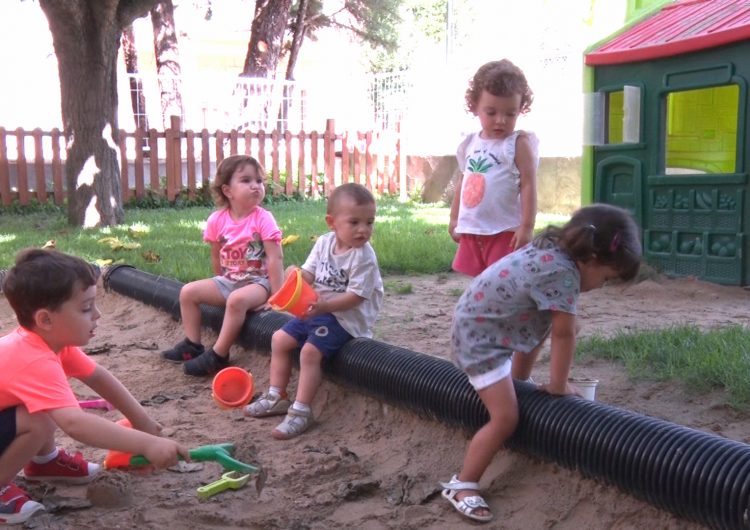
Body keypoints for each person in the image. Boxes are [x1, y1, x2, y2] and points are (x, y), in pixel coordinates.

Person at [441, 203, 642, 523]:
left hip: (480, 326)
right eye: (606, 278)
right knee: (505, 419)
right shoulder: (563, 274)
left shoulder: (550, 249)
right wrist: (559, 387)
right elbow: (564, 335)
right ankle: (463, 484)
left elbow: (555, 322)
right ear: (591, 259)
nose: (601, 286)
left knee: (547, 320)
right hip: (480, 344)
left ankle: (518, 382)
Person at [0, 249, 189, 525]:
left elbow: (99, 377)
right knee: (38, 417)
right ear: (46, 320)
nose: (97, 315)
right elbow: (75, 424)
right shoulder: (33, 358)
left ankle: (44, 461)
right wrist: (148, 445)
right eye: (86, 308)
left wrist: (145, 424)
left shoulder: (50, 343)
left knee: (46, 403)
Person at [245, 183, 383, 440]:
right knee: (279, 339)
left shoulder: (363, 256)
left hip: (345, 319)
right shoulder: (324, 243)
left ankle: (301, 411)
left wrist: (324, 306)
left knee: (309, 352)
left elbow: (355, 297)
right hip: (318, 310)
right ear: (332, 222)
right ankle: (277, 396)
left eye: (369, 222)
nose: (363, 229)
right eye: (354, 222)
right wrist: (295, 275)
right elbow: (309, 274)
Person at [161, 154, 284, 377]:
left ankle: (219, 354)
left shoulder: (263, 219)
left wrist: (276, 296)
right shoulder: (217, 220)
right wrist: (218, 282)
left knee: (236, 300)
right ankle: (193, 344)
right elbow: (216, 256)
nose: (256, 186)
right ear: (228, 191)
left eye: (259, 181)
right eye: (246, 181)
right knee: (188, 292)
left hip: (259, 282)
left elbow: (275, 258)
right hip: (230, 281)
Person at [449, 58, 540, 277]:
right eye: (491, 112)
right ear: (475, 107)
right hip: (473, 228)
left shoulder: (518, 144)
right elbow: (464, 182)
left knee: (503, 280)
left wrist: (526, 226)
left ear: (520, 109)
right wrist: (454, 219)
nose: (501, 120)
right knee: (477, 280)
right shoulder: (469, 143)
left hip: (504, 230)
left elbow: (529, 185)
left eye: (510, 114)